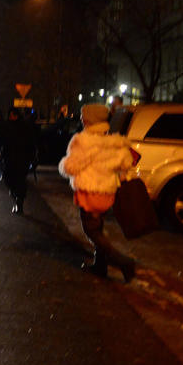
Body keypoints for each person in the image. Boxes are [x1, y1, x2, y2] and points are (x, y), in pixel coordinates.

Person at [59, 104, 136, 281]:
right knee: (98, 229)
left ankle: (124, 262)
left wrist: (64, 164)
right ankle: (100, 266)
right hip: (107, 193)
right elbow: (126, 163)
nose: (80, 118)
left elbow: (71, 167)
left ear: (88, 120)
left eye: (82, 116)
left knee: (92, 231)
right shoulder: (114, 142)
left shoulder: (81, 141)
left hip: (89, 192)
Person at [0, 107, 37, 215]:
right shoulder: (6, 126)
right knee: (8, 178)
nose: (12, 117)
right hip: (9, 158)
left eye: (14, 114)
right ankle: (14, 195)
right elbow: (1, 138)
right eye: (10, 114)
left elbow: (31, 142)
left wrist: (32, 156)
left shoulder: (25, 127)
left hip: (22, 158)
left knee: (20, 181)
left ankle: (19, 203)